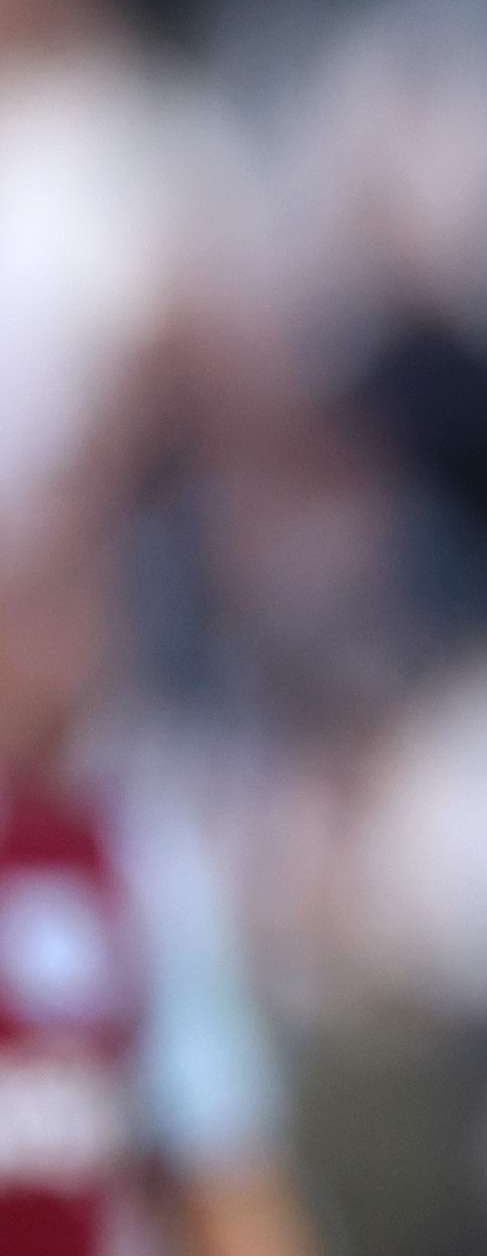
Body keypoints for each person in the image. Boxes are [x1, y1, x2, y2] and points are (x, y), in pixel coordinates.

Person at [0, 519, 315, 1256]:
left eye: (71, 612)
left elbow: (219, 1137)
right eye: (24, 612)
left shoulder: (140, 847)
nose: (50, 649)